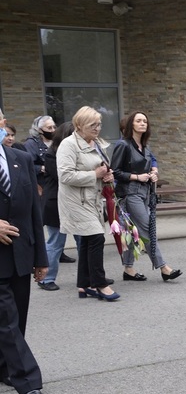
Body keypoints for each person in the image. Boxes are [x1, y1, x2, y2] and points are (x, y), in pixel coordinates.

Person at [0, 129, 49, 394]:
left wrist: (41, 258)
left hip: (21, 254)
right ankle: (28, 381)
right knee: (6, 320)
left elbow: (34, 211)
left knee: (16, 320)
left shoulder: (20, 158)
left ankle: (5, 367)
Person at [111, 111, 182, 282]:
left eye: (145, 121)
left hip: (145, 192)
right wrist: (136, 177)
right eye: (138, 121)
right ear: (131, 125)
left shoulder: (144, 146)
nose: (143, 123)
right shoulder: (123, 145)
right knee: (146, 229)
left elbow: (152, 162)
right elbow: (115, 172)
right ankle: (163, 267)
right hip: (130, 192)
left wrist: (154, 173)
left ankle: (128, 269)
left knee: (130, 231)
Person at [57, 107, 119, 301]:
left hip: (93, 199)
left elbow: (102, 168)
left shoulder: (97, 143)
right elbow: (65, 175)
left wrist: (106, 175)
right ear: (79, 125)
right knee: (96, 237)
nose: (97, 128)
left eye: (99, 124)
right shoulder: (68, 145)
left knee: (86, 240)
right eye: (93, 125)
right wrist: (95, 175)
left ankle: (83, 285)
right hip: (75, 200)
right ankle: (99, 284)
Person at [36, 121, 75, 291]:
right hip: (55, 203)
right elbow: (63, 177)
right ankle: (46, 278)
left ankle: (90, 276)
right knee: (56, 242)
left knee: (84, 241)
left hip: (73, 202)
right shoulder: (52, 154)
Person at [23, 115, 56, 190]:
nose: (53, 130)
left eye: (54, 127)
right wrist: (41, 168)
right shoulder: (31, 144)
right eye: (49, 128)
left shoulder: (56, 141)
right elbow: (27, 165)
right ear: (39, 130)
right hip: (42, 184)